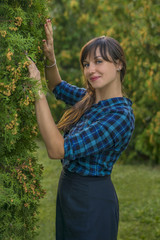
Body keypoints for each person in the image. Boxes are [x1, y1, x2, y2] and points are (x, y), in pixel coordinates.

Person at [28, 19, 135, 240]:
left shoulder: (120, 117)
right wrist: (51, 58)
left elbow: (57, 149)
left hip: (92, 200)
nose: (90, 70)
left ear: (118, 64)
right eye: (86, 64)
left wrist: (36, 92)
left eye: (98, 61)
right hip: (69, 191)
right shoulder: (91, 99)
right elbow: (57, 86)